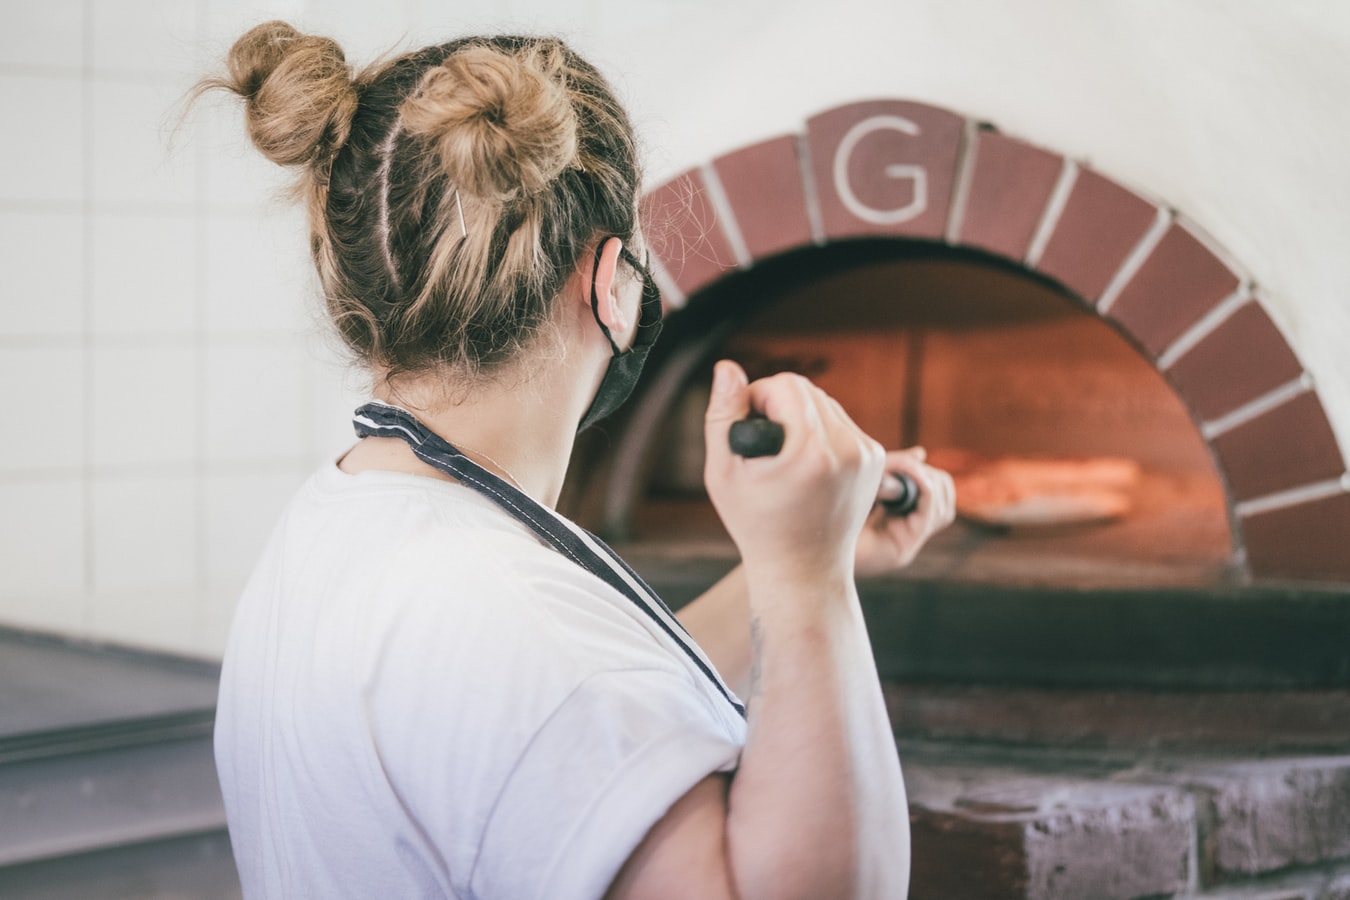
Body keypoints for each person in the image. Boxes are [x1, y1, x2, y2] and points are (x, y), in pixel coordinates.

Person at [206, 21, 955, 900]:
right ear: (611, 284)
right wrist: (808, 585)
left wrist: (802, 558)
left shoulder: (339, 521)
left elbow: (589, 703)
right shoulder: (510, 620)